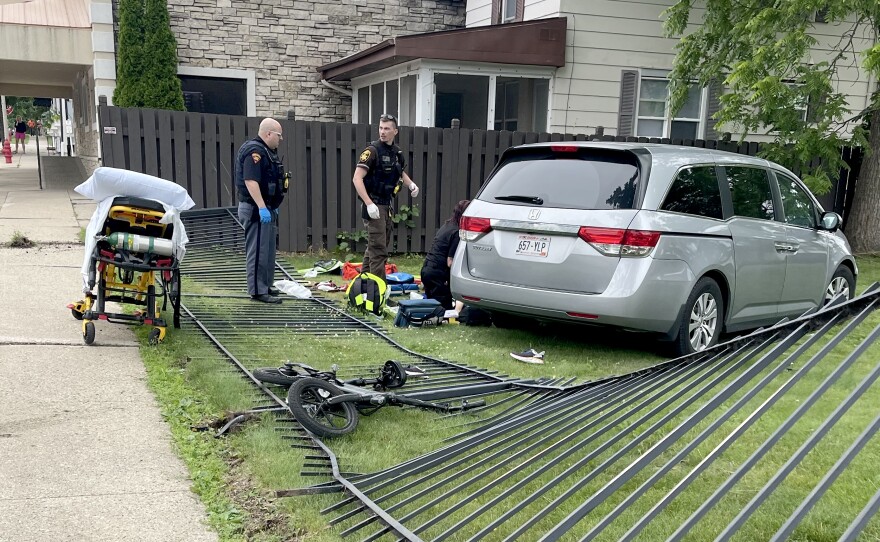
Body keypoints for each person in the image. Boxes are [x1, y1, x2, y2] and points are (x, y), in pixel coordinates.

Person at [352, 114, 419, 283]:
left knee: (376, 246)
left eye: (387, 128)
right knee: (379, 249)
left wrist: (411, 184)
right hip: (373, 204)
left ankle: (364, 283)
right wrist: (368, 204)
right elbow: (357, 178)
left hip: (386, 205)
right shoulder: (372, 151)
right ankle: (377, 290)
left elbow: (399, 172)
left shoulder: (397, 153)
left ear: (395, 131)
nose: (382, 132)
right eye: (381, 128)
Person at [234, 118, 288, 304]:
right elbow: (250, 181)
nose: (280, 139)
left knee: (267, 250)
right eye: (279, 135)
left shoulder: (268, 152)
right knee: (257, 250)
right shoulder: (255, 152)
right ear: (268, 134)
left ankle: (265, 285)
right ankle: (257, 290)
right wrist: (262, 207)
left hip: (267, 207)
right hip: (256, 208)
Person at [421, 199, 469, 312]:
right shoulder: (457, 232)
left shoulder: (447, 225)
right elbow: (450, 262)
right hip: (437, 275)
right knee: (445, 310)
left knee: (431, 306)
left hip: (426, 270)